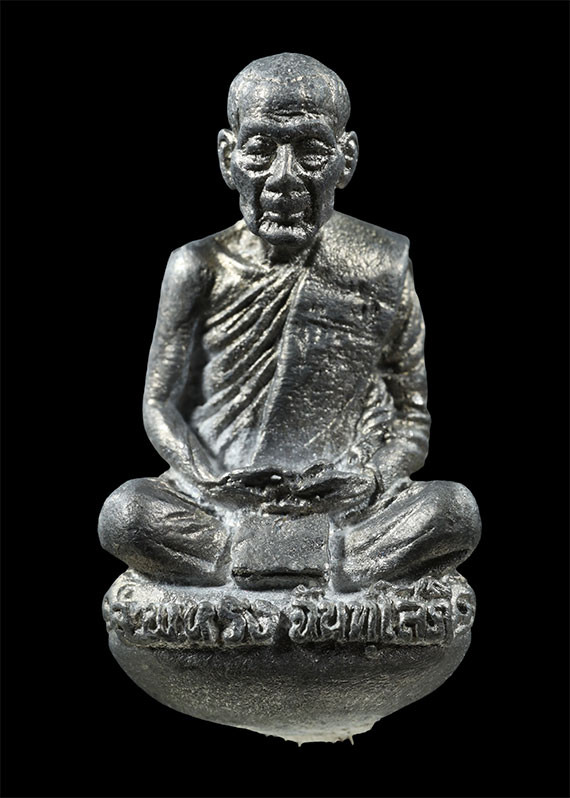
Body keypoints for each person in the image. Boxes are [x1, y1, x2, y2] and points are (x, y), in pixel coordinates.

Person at [98, 53, 480, 590]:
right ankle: (296, 566)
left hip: (344, 505)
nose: (283, 177)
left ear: (346, 159)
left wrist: (370, 479)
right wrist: (208, 479)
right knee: (127, 514)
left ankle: (295, 563)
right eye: (260, 151)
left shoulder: (380, 263)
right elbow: (159, 404)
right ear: (227, 158)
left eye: (312, 151)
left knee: (454, 510)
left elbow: (411, 417)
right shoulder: (197, 266)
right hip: (223, 499)